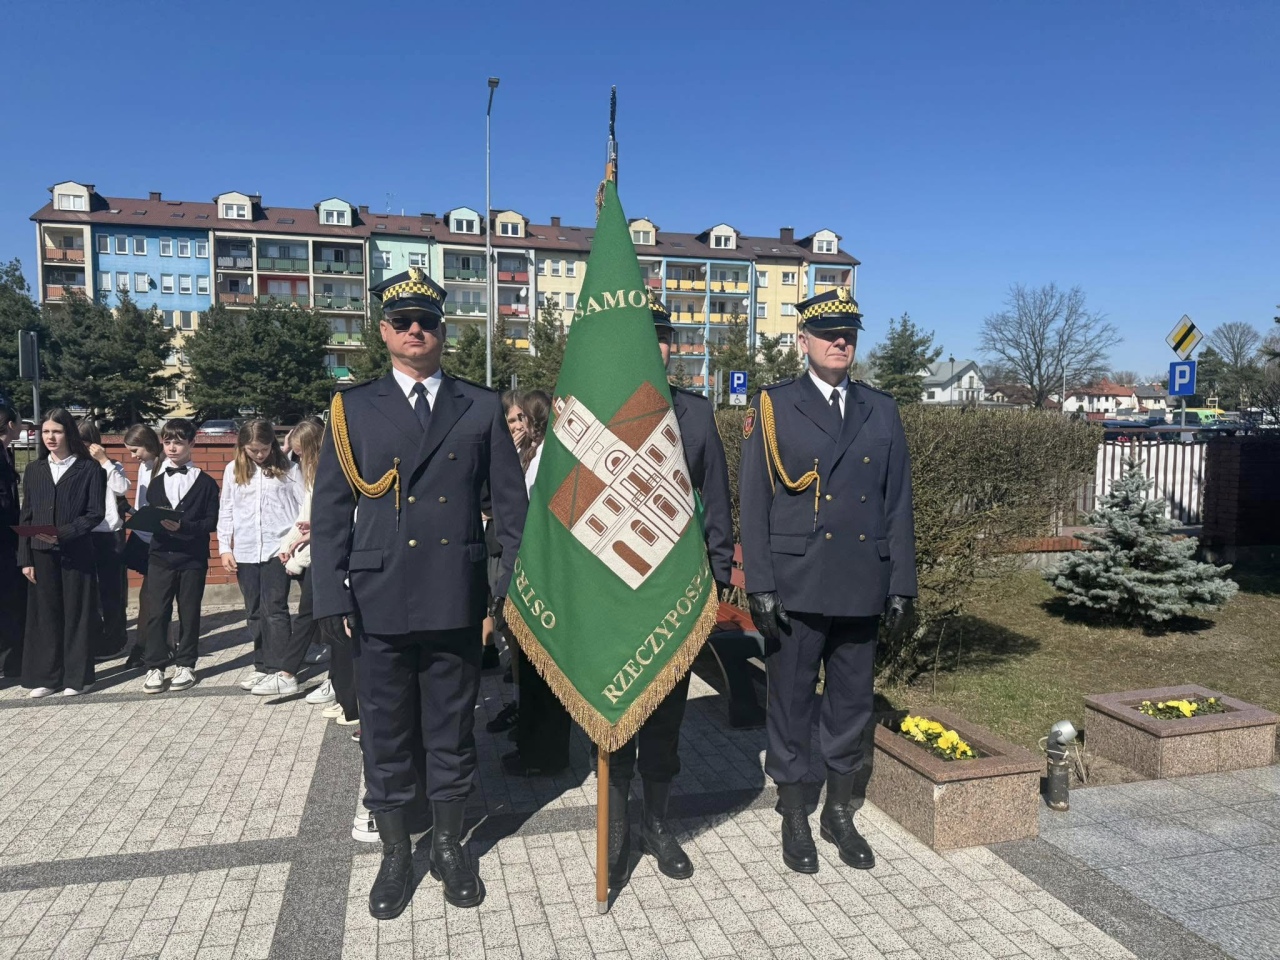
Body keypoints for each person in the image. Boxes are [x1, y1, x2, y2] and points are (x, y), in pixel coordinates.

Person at [312, 267, 527, 919]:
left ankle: (449, 848)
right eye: (402, 321)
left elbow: (511, 509)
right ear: (383, 331)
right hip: (377, 597)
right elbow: (330, 511)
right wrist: (330, 596)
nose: (415, 331)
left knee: (451, 728)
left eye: (427, 322)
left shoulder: (480, 406)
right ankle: (396, 852)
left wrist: (508, 588)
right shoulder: (352, 408)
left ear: (443, 332)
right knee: (385, 732)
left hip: (453, 594)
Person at [739, 288, 917, 875]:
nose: (840, 341)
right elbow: (755, 501)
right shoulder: (774, 406)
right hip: (797, 580)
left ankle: (839, 812)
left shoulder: (881, 409)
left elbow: (897, 505)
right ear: (804, 341)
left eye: (849, 334)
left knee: (851, 702)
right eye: (828, 333)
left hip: (862, 580)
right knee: (791, 702)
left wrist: (902, 585)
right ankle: (794, 811)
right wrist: (759, 584)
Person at [605, 293, 736, 885]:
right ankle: (614, 830)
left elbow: (717, 503)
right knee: (614, 716)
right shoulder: (596, 408)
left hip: (675, 591)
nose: (653, 345)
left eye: (661, 335)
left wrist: (717, 577)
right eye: (642, 335)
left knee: (664, 720)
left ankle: (656, 826)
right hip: (612, 593)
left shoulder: (696, 414)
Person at [503, 390, 571, 778]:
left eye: (522, 419)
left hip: (545, 571)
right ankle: (532, 744)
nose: (518, 426)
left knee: (544, 670)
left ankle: (546, 754)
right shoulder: (534, 451)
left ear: (533, 421)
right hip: (532, 566)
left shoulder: (548, 455)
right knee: (531, 667)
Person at [18, 408, 105, 697]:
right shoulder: (35, 469)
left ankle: (79, 678)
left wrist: (64, 532)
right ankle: (48, 677)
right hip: (41, 553)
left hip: (76, 552)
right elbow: (26, 515)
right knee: (45, 616)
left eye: (56, 431)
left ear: (68, 433)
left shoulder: (89, 468)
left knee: (77, 615)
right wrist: (25, 558)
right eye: (46, 432)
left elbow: (95, 513)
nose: (50, 437)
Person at [218, 419, 304, 696]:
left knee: (275, 609)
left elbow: (302, 507)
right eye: (252, 450)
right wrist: (224, 547)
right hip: (245, 549)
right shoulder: (233, 470)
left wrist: (295, 542)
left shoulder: (289, 469)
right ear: (242, 447)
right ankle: (262, 665)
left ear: (272, 445)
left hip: (278, 548)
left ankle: (281, 669)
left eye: (263, 449)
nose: (258, 454)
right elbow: (226, 509)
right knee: (253, 611)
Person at [140, 418, 220, 694]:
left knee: (189, 612)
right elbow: (151, 516)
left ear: (192, 443)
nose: (172, 448)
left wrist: (183, 526)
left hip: (192, 557)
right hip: (160, 555)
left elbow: (211, 522)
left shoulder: (206, 483)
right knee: (157, 612)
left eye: (178, 442)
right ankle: (155, 665)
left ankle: (186, 664)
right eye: (167, 442)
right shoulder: (156, 482)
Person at [78, 419, 131, 660]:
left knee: (112, 589)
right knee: (88, 591)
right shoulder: (74, 467)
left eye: (85, 442)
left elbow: (121, 488)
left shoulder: (112, 465)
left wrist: (104, 461)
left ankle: (116, 639)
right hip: (83, 532)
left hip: (109, 533)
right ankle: (95, 637)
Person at [121, 423, 168, 668]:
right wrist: (130, 510)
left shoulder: (166, 467)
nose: (133, 456)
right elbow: (144, 506)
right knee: (150, 594)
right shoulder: (145, 466)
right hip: (142, 536)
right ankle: (155, 644)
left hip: (159, 540)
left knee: (153, 595)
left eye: (135, 450)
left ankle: (146, 645)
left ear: (148, 444)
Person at [0, 404, 24, 678]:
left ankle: (9, 660)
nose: (22, 426)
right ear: (10, 425)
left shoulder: (7, 452)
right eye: (19, 421)